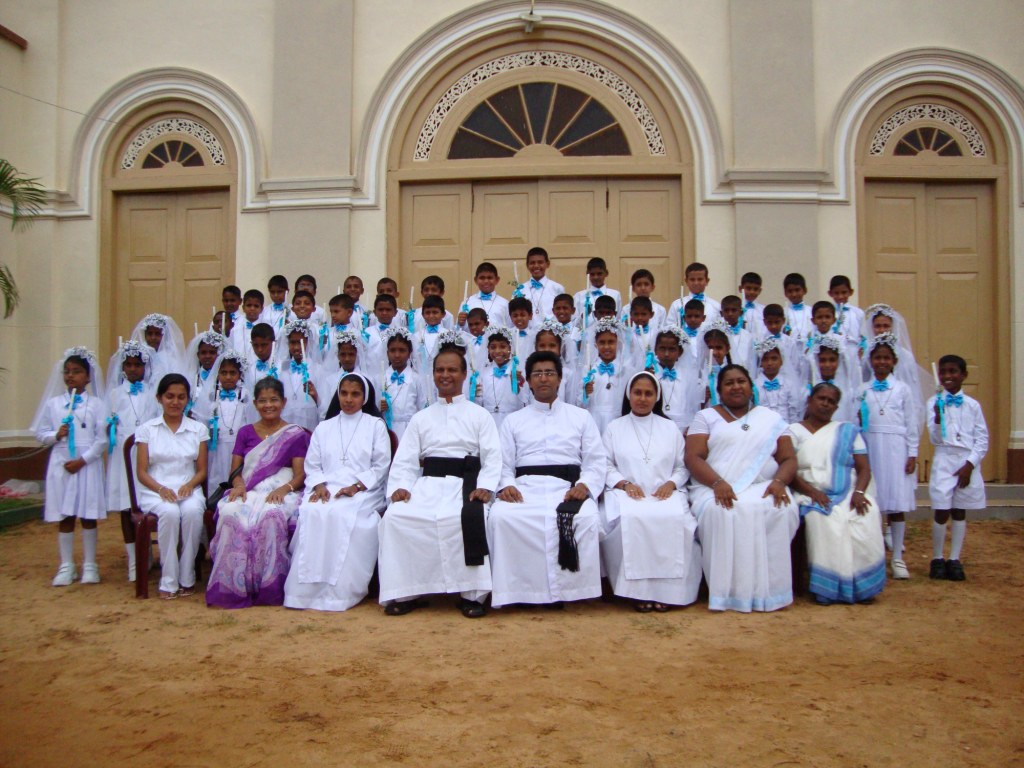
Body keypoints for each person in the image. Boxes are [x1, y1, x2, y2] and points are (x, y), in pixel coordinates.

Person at [378, 349, 501, 618]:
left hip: (465, 486)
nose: (445, 375)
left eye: (452, 370)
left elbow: (492, 457)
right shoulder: (421, 418)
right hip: (427, 486)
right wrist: (401, 486)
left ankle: (471, 594)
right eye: (440, 370)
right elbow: (406, 459)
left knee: (469, 517)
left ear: (464, 374)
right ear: (433, 375)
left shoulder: (480, 415)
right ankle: (407, 592)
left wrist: (486, 487)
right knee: (395, 518)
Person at [489, 351, 606, 608]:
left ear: (560, 378)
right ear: (529, 381)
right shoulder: (513, 420)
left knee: (586, 517)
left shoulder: (581, 417)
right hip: (525, 489)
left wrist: (584, 485)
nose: (544, 379)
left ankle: (568, 591)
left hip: (567, 489)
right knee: (500, 517)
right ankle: (521, 592)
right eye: (538, 374)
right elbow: (502, 462)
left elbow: (596, 460)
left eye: (550, 373)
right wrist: (506, 485)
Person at [684, 364, 799, 612]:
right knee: (720, 511)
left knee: (780, 508)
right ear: (719, 390)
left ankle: (771, 591)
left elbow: (788, 458)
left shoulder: (770, 419)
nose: (736, 387)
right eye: (729, 383)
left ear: (751, 386)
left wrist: (779, 482)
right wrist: (717, 483)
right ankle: (730, 592)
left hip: (763, 485)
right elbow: (693, 457)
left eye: (741, 381)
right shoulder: (706, 417)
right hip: (713, 485)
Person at [284, 374, 390, 611]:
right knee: (313, 512)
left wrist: (356, 487)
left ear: (365, 397)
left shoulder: (376, 426)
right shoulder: (324, 427)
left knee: (342, 513)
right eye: (344, 393)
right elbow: (312, 464)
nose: (348, 399)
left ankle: (340, 592)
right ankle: (305, 592)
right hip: (327, 488)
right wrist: (320, 485)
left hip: (364, 490)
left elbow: (380, 465)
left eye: (355, 394)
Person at [601, 371, 701, 611]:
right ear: (629, 395)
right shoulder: (614, 427)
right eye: (637, 393)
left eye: (648, 393)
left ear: (657, 397)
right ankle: (637, 592)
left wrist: (671, 484)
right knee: (632, 518)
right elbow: (604, 464)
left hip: (664, 493)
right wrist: (624, 484)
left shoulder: (670, 428)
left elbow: (682, 466)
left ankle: (669, 592)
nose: (642, 398)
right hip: (626, 493)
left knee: (676, 519)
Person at [206, 377, 310, 608]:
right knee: (231, 512)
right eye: (262, 401)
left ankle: (268, 588)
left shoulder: (294, 434)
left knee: (271, 515)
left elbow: (300, 475)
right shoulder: (245, 432)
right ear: (255, 403)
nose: (268, 405)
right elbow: (235, 471)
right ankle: (232, 587)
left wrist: (283, 489)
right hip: (249, 489)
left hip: (282, 490)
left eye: (274, 400)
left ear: (283, 402)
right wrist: (239, 486)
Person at [789, 383, 885, 605]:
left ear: (836, 407)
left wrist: (859, 492)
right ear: (810, 401)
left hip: (848, 491)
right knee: (823, 519)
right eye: (821, 398)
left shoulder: (848, 431)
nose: (825, 404)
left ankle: (863, 587)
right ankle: (828, 588)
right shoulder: (793, 431)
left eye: (831, 401)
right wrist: (813, 492)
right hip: (808, 492)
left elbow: (864, 468)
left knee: (866, 514)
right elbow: (789, 469)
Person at [32, 347, 108, 586]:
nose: (70, 376)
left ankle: (90, 564)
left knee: (87, 515)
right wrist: (56, 434)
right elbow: (41, 433)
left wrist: (83, 460)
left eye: (76, 372)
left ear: (88, 376)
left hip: (86, 464)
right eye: (67, 372)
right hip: (62, 464)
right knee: (65, 514)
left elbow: (102, 438)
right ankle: (66, 565)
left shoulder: (96, 404)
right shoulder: (54, 404)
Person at [134, 373, 209, 599]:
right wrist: (160, 489)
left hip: (188, 488)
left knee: (193, 512)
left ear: (188, 400)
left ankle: (187, 576)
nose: (175, 402)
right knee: (169, 512)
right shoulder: (147, 429)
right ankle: (168, 580)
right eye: (169, 396)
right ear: (159, 398)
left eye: (181, 397)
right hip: (156, 491)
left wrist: (190, 484)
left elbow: (202, 470)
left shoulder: (198, 429)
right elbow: (141, 471)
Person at [858, 334, 919, 579]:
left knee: (896, 502)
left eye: (886, 358)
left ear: (894, 361)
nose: (881, 362)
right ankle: (875, 556)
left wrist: (912, 452)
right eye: (877, 358)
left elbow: (911, 423)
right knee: (874, 500)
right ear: (871, 361)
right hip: (871, 445)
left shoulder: (902, 389)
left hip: (895, 448)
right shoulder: (863, 389)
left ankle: (898, 558)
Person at [927, 354, 989, 581]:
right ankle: (937, 558)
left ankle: (954, 558)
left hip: (965, 460)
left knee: (959, 509)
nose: (947, 376)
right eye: (943, 372)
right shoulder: (933, 403)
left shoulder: (973, 406)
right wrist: (937, 418)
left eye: (952, 371)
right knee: (941, 508)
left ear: (963, 375)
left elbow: (982, 439)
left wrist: (970, 465)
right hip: (944, 459)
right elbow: (935, 439)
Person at [104, 340, 160, 581]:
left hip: (148, 454)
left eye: (138, 364)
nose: (133, 369)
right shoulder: (115, 394)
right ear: (123, 367)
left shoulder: (153, 394)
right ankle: (134, 560)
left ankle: (147, 552)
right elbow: (105, 423)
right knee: (126, 507)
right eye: (129, 365)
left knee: (146, 504)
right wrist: (109, 427)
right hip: (122, 455)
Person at [521, 246, 565, 320]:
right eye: (532, 263)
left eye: (540, 262)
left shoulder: (557, 288)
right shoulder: (520, 290)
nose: (536, 266)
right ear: (527, 265)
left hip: (551, 327)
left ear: (547, 264)